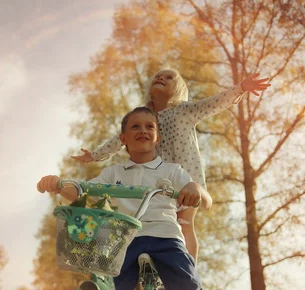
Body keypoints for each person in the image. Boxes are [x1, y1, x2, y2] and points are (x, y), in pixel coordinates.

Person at [38, 107, 247, 290]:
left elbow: (198, 193)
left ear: (157, 135)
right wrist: (59, 184)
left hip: (165, 238)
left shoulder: (171, 171)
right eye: (135, 126)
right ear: (123, 137)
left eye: (149, 126)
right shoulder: (113, 173)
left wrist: (192, 189)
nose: (143, 131)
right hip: (123, 240)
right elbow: (84, 191)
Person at [72, 69, 270, 262]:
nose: (161, 78)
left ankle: (189, 273)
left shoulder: (184, 111)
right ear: (149, 88)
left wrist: (241, 87)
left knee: (184, 224)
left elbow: (214, 103)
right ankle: (154, 274)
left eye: (169, 77)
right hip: (160, 183)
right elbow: (119, 140)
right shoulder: (145, 119)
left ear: (177, 88)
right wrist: (95, 156)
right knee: (161, 227)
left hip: (187, 182)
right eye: (158, 76)